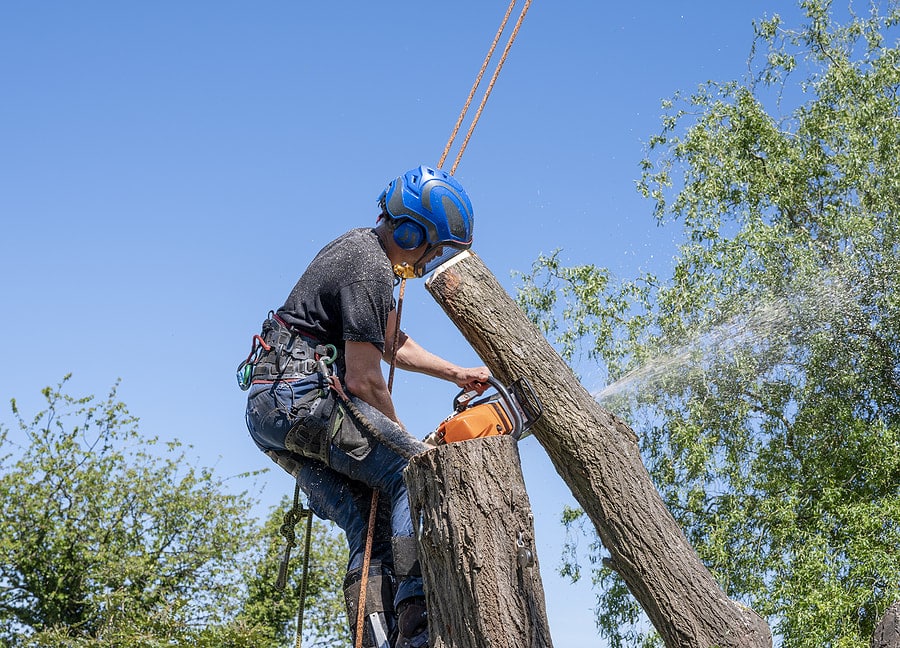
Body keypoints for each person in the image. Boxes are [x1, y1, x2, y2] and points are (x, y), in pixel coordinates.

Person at [241, 165, 490, 648]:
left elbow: (391, 341)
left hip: (270, 408)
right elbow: (364, 379)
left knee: (365, 518)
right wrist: (407, 441)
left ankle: (375, 636)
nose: (431, 260)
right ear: (411, 230)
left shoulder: (361, 253)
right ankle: (418, 626)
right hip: (301, 399)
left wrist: (458, 373)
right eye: (433, 247)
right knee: (414, 473)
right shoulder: (369, 264)